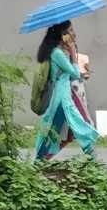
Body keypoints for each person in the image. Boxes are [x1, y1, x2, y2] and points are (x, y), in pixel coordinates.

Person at [33, 21, 98, 161]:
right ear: (63, 35)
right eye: (70, 30)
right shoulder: (57, 53)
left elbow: (70, 75)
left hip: (66, 96)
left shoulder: (61, 52)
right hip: (62, 100)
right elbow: (73, 73)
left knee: (71, 128)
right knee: (69, 127)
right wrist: (73, 54)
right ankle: (39, 161)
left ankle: (39, 162)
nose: (74, 33)